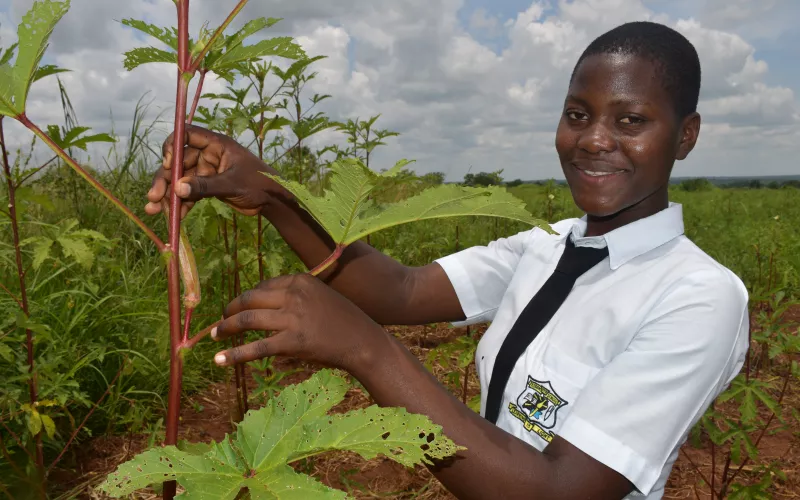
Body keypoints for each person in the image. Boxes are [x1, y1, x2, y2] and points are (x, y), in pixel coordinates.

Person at [144, 21, 749, 500]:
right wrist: (276, 193)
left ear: (686, 136)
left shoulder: (698, 296)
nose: (593, 138)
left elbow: (559, 491)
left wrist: (365, 348)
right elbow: (401, 292)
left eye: (631, 120)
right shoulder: (546, 243)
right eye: (577, 114)